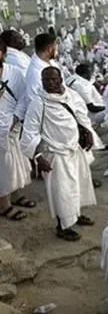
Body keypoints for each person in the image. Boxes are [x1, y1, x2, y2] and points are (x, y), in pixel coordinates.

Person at [21, 66, 96, 241]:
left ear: (61, 79)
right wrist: (38, 158)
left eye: (54, 79)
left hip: (74, 149)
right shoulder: (38, 103)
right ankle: (63, 226)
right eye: (46, 80)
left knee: (78, 185)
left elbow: (80, 114)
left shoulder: (70, 95)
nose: (50, 83)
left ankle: (76, 215)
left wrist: (88, 132)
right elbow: (29, 133)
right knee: (62, 192)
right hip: (55, 153)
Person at [0, 39, 32, 222]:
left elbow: (23, 98)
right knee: (3, 166)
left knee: (17, 162)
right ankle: (4, 205)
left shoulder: (15, 73)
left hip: (13, 125)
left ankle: (16, 193)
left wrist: (15, 118)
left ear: (3, 53)